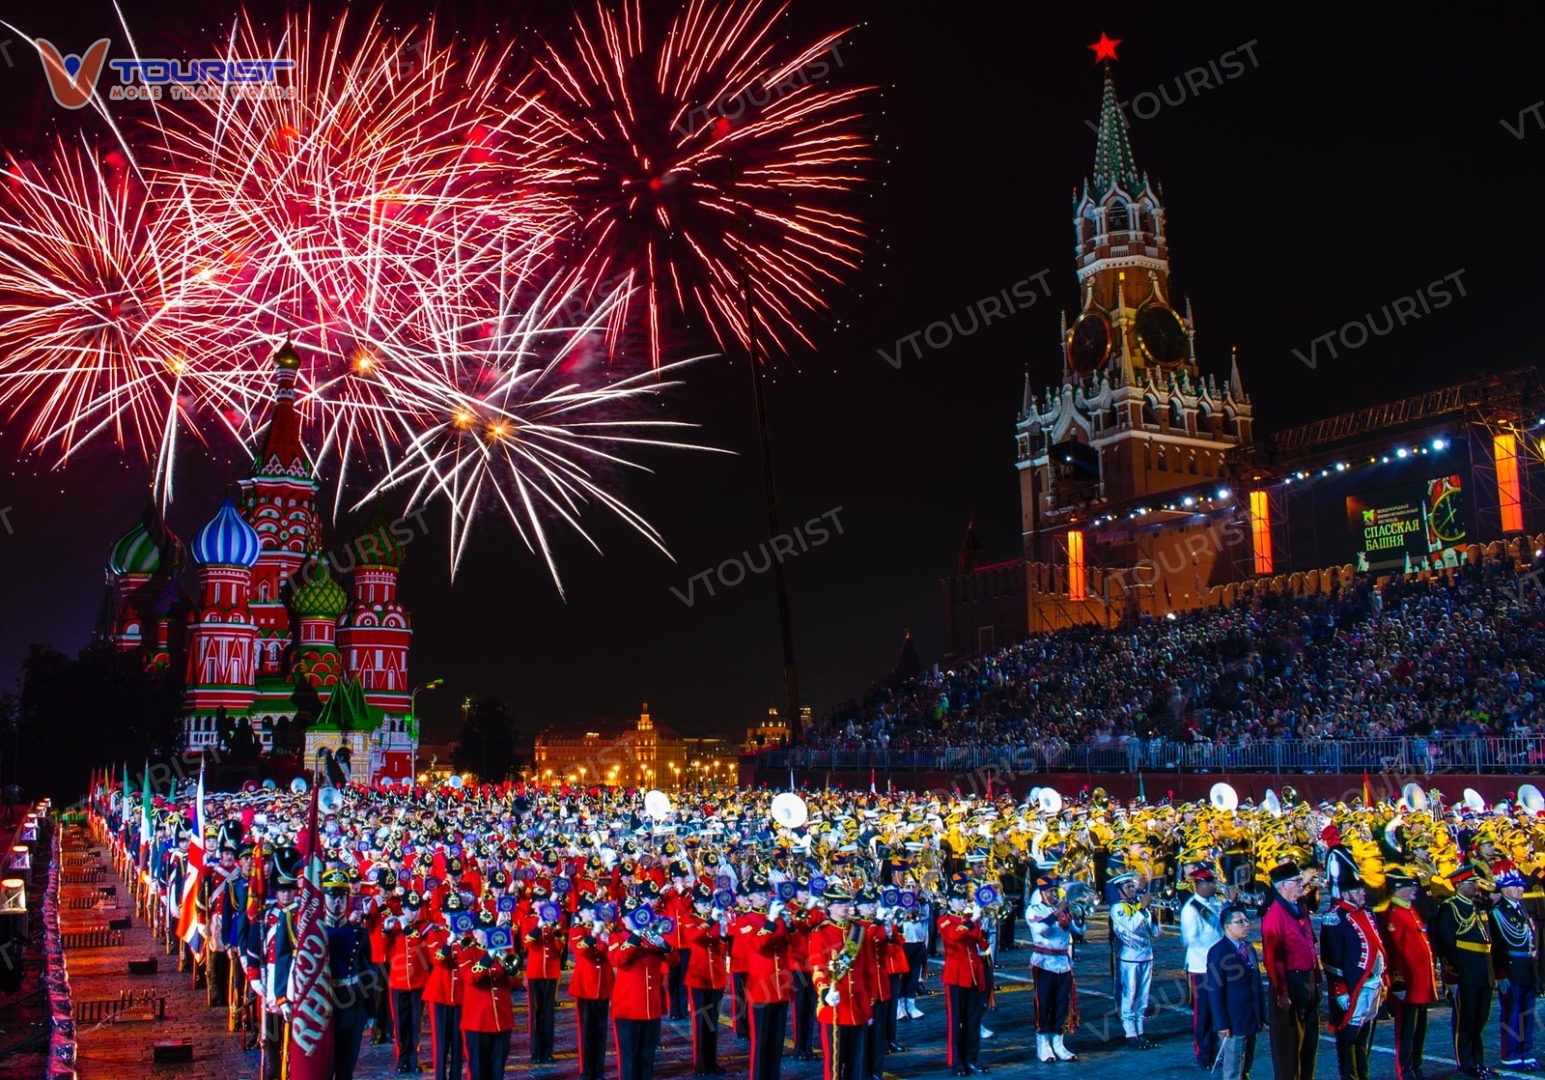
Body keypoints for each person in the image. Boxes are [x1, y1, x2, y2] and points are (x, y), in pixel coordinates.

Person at [1320, 874, 1387, 1080]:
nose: (1362, 893)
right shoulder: (1335, 917)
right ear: (1346, 893)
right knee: (1348, 1036)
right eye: (1357, 891)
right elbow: (1331, 957)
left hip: (1372, 982)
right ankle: (1350, 1076)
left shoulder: (1365, 913)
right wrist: (1339, 988)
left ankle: (1362, 1075)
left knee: (1362, 1036)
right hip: (1353, 984)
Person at [1433, 866, 1496, 1078]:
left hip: (1482, 970)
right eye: (1472, 883)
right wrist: (1451, 976)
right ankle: (1466, 1062)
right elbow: (1445, 944)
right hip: (1466, 971)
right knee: (1466, 1019)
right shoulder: (1449, 908)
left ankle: (1478, 1061)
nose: (1476, 886)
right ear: (1460, 885)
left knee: (1480, 1018)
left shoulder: (1477, 906)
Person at [1260, 861, 1320, 1080]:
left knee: (1309, 1044)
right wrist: (1282, 992)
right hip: (1291, 984)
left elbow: (1310, 944)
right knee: (1289, 1046)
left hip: (1308, 980)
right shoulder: (1275, 916)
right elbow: (1272, 959)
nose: (1300, 885)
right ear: (1282, 886)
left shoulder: (1299, 908)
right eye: (1296, 881)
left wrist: (1317, 978)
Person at [1379, 867, 1440, 1080]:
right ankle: (1405, 1068)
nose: (1413, 888)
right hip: (1408, 983)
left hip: (1420, 982)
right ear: (1397, 889)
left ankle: (1416, 1063)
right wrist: (1398, 983)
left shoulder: (1409, 909)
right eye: (1408, 886)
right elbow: (1394, 952)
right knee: (1406, 1029)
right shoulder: (1394, 914)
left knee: (1419, 1028)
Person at [812, 884, 877, 1080]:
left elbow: (867, 970)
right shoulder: (820, 933)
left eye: (847, 903)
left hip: (857, 1008)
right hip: (835, 1007)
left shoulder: (857, 932)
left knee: (856, 1065)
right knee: (834, 1067)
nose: (846, 907)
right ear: (829, 907)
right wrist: (825, 993)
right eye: (840, 904)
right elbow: (817, 969)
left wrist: (868, 1007)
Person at [610, 900, 674, 1080]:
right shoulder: (617, 937)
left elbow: (674, 960)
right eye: (632, 915)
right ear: (623, 919)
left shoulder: (651, 936)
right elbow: (618, 959)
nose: (637, 918)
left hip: (650, 1008)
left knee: (647, 1059)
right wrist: (636, 936)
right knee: (629, 1060)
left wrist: (664, 944)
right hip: (628, 1008)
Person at [1203, 904, 1265, 1080]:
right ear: (1227, 926)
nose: (1246, 924)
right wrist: (1221, 1022)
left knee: (1247, 1063)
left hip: (1251, 1016)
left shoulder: (1248, 948)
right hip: (1233, 1020)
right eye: (1240, 922)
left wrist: (1261, 1015)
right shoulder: (1218, 952)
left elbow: (1257, 984)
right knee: (1233, 1068)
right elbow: (1214, 991)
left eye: (1246, 920)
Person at [1025, 873, 1082, 1063]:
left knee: (1060, 1007)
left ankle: (1059, 1043)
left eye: (1055, 890)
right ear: (1041, 892)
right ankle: (1043, 1045)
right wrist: (1058, 912)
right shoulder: (1034, 910)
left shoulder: (1063, 909)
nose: (1054, 894)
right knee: (1043, 1006)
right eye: (1050, 891)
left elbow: (1079, 932)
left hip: (1063, 965)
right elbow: (1042, 930)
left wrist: (1079, 916)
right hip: (1043, 964)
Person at [322, 868, 373, 1080]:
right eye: (332, 896)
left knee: (346, 1066)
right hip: (323, 1003)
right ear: (323, 897)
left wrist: (370, 1012)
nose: (338, 902)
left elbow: (367, 974)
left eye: (342, 896)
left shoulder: (359, 933)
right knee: (323, 1066)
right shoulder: (316, 933)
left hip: (351, 1003)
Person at [1489, 862, 1539, 1069]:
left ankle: (1525, 1051)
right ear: (1503, 889)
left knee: (1527, 1011)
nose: (1521, 888)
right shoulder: (1498, 912)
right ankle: (1510, 1054)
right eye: (1515, 885)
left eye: (1521, 885)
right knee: (1512, 1012)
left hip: (1526, 966)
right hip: (1511, 967)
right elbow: (1498, 947)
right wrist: (1501, 974)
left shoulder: (1521, 910)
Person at [936, 880, 987, 1076]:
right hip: (956, 976)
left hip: (973, 975)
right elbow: (952, 938)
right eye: (958, 900)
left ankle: (971, 1060)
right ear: (949, 902)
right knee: (955, 1022)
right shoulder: (944, 919)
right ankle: (956, 1062)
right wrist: (971, 921)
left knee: (973, 1021)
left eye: (964, 899)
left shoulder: (970, 919)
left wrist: (984, 928)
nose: (962, 903)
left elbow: (982, 947)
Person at [1180, 867, 1227, 1067]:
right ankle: (1203, 1053)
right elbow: (1188, 939)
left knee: (1219, 1008)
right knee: (1204, 1012)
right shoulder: (1191, 909)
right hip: (1201, 966)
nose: (1214, 886)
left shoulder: (1213, 903)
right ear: (1200, 884)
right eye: (1210, 883)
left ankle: (1215, 1050)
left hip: (1216, 965)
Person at [1109, 872, 1159, 1049]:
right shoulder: (1117, 908)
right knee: (1129, 997)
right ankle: (1130, 1033)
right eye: (1128, 887)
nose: (1133, 890)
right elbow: (1130, 925)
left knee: (1142, 998)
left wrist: (1154, 916)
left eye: (1133, 886)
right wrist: (1143, 909)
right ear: (1120, 890)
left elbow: (1156, 933)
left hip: (1146, 956)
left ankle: (1140, 1032)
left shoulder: (1139, 907)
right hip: (1129, 959)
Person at [680, 886, 726, 1077]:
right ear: (695, 904)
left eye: (708, 903)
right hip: (698, 978)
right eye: (702, 903)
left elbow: (722, 950)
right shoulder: (690, 920)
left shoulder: (713, 921)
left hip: (715, 977)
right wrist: (711, 920)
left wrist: (723, 932)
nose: (706, 906)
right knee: (700, 1023)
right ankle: (700, 1065)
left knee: (712, 1023)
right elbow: (694, 937)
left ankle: (711, 1062)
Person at [523, 886, 563, 1064]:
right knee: (535, 1013)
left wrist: (556, 929)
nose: (542, 904)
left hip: (551, 971)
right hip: (535, 972)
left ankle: (547, 1050)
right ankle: (535, 1051)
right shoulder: (529, 920)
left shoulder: (554, 921)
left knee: (549, 1013)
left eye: (545, 901)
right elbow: (527, 943)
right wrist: (539, 926)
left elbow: (560, 946)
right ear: (533, 905)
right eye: (539, 902)